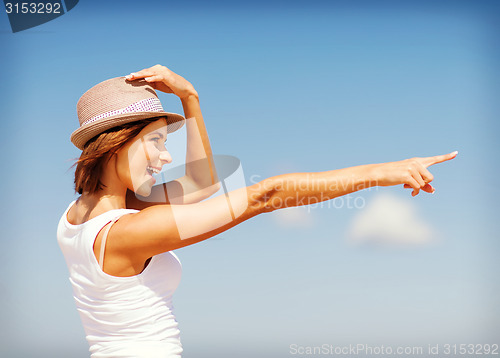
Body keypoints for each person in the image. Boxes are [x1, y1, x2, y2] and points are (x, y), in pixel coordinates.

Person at [57, 64, 457, 358]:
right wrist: (380, 171)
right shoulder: (130, 232)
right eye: (157, 141)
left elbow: (204, 182)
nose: (165, 157)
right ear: (115, 144)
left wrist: (189, 98)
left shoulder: (78, 217)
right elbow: (268, 195)